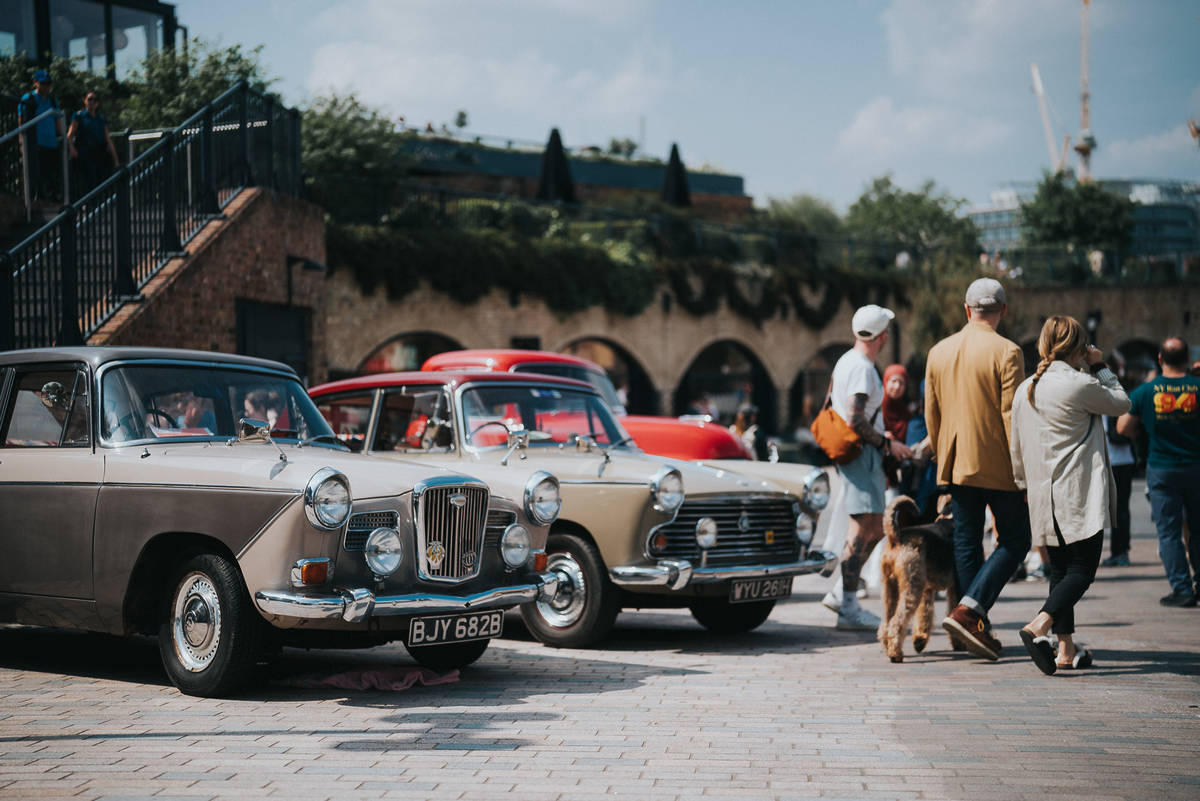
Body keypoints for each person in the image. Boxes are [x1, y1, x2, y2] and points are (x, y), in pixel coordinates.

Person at [1010, 316, 1130, 675]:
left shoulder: (1025, 388)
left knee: (1061, 568)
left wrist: (1022, 485)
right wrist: (1101, 366)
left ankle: (1065, 648)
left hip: (1042, 493)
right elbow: (1122, 403)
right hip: (1076, 491)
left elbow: (1015, 446)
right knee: (1082, 569)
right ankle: (1039, 626)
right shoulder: (1078, 384)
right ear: (1079, 346)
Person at [925, 277, 1030, 660]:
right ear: (1003, 310)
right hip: (998, 462)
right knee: (1017, 540)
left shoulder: (938, 351)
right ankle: (970, 614)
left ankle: (973, 624)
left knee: (967, 542)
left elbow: (931, 414)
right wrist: (1022, 471)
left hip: (955, 461)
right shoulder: (1009, 351)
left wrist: (941, 456)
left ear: (967, 310)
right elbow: (1010, 416)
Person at [827, 304, 913, 630]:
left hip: (859, 454)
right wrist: (886, 443)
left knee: (874, 527)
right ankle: (847, 604)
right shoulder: (862, 367)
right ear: (882, 336)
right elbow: (855, 418)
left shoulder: (845, 362)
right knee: (862, 530)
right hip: (862, 455)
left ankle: (842, 593)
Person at [1117, 337, 1200, 607]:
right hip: (1196, 467)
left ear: (1160, 360)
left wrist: (1143, 431)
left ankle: (1182, 589)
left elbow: (1122, 428)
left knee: (1169, 533)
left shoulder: (1145, 392)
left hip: (1162, 468)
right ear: (1187, 359)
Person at [1101, 352, 1136, 567]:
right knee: (1118, 508)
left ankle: (1120, 551)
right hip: (1119, 458)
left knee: (1118, 509)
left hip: (1116, 459)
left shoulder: (1112, 393)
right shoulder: (1115, 392)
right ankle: (1120, 551)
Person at [17, 69, 64, 202]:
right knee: (36, 174)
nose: (46, 86)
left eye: (48, 83)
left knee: (50, 174)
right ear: (36, 83)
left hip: (51, 143)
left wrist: (65, 140)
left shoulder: (52, 100)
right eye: (43, 83)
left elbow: (58, 122)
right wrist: (21, 141)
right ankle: (34, 200)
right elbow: (21, 122)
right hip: (36, 142)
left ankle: (50, 198)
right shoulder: (29, 99)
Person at [67, 91, 119, 195]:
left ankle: (97, 204)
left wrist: (116, 159)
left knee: (99, 179)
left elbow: (108, 139)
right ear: (85, 101)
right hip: (84, 152)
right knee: (87, 180)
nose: (92, 102)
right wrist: (72, 148)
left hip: (99, 152)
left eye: (94, 100)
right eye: (89, 99)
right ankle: (87, 205)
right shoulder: (79, 116)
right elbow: (70, 135)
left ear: (97, 103)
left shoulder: (101, 119)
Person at [881, 364, 912, 445]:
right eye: (894, 381)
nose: (897, 386)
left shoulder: (906, 413)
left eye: (901, 383)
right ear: (885, 382)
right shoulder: (876, 407)